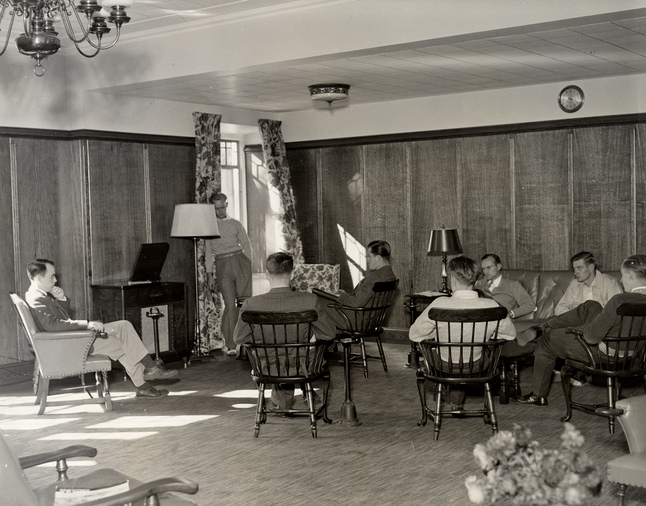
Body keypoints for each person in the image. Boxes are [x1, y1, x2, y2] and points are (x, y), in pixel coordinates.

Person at [25, 259, 177, 398]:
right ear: (39, 279)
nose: (56, 280)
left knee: (122, 335)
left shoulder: (40, 296)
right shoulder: (36, 298)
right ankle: (149, 373)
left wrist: (61, 299)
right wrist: (87, 324)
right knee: (122, 334)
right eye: (52, 276)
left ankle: (146, 379)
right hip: (70, 344)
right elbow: (53, 326)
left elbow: (61, 320)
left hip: (70, 339)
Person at [514, 254, 646, 406]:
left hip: (606, 353)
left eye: (623, 276)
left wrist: (576, 330)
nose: (621, 280)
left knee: (545, 341)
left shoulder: (619, 300)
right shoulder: (625, 300)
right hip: (635, 353)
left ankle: (537, 395)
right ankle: (542, 327)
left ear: (630, 275)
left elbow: (590, 338)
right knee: (591, 305)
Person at [409, 256, 516, 409]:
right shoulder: (491, 305)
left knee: (436, 352)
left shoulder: (439, 304)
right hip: (478, 366)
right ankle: (457, 403)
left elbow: (414, 334)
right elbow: (510, 334)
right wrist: (485, 334)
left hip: (443, 367)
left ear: (453, 279)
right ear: (476, 280)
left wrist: (439, 334)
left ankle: (450, 402)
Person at [233, 252, 336, 410]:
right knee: (302, 345)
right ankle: (295, 397)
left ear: (267, 275)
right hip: (303, 366)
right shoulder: (309, 300)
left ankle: (280, 402)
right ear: (293, 274)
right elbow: (329, 334)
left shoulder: (250, 304)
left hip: (267, 367)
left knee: (278, 350)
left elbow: (239, 338)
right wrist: (310, 341)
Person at [204, 193, 253, 356]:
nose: (219, 211)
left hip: (240, 262)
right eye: (216, 208)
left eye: (222, 207)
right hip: (222, 265)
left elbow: (246, 244)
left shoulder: (235, 223)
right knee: (230, 304)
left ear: (226, 204)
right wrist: (210, 275)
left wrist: (247, 263)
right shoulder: (209, 228)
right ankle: (231, 343)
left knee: (244, 303)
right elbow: (209, 253)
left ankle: (245, 341)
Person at [316, 240, 397, 328]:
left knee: (315, 301)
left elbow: (356, 303)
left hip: (357, 321)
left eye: (369, 256)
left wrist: (340, 296)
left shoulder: (375, 278)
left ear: (377, 258)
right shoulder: (389, 275)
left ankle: (324, 336)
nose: (367, 260)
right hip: (371, 320)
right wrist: (345, 295)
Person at [554, 251, 622, 315]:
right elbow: (560, 308)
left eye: (579, 268)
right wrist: (574, 317)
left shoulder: (609, 283)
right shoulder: (574, 284)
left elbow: (616, 312)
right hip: (578, 325)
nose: (575, 272)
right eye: (574, 269)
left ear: (591, 267)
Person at [475, 253, 535, 319]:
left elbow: (530, 305)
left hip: (502, 322)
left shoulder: (512, 285)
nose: (485, 272)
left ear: (498, 267)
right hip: (481, 320)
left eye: (488, 267)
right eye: (483, 269)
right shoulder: (479, 284)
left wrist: (510, 314)